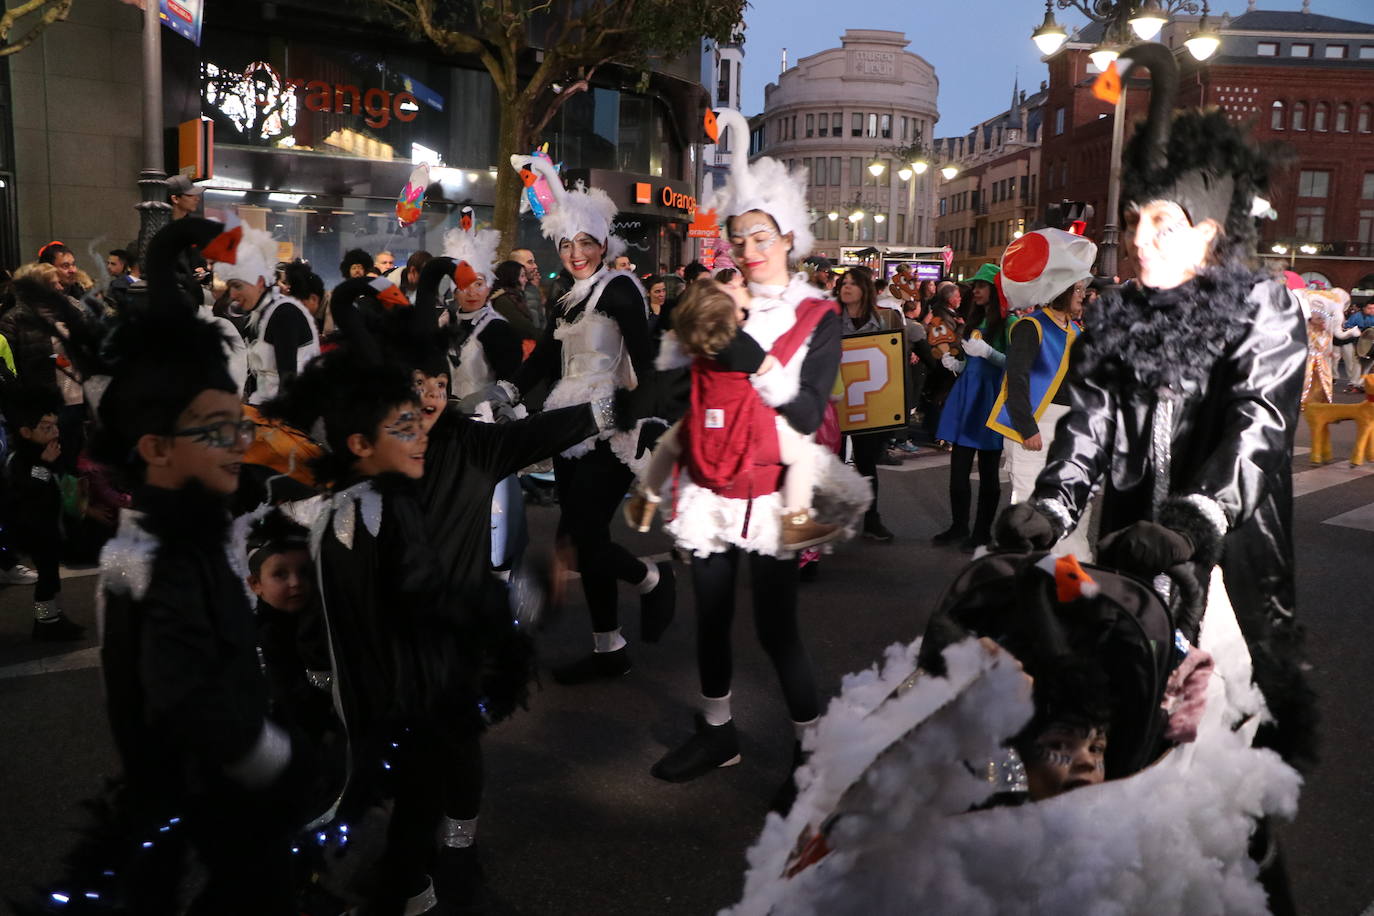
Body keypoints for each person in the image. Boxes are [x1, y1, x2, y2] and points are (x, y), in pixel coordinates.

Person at [996, 43, 1312, 802]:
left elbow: (1258, 421)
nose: (1139, 238)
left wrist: (1197, 518)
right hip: (1134, 551)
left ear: (1208, 233)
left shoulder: (1262, 308)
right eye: (1136, 220)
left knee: (1216, 760)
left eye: (1162, 224)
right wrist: (1054, 503)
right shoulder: (1121, 312)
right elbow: (1092, 421)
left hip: (1227, 558)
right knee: (1122, 724)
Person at [74, 218, 301, 913]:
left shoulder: (190, 514)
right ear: (156, 448)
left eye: (241, 425)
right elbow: (182, 692)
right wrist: (276, 757)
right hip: (187, 786)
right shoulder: (149, 554)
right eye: (218, 431)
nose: (240, 442)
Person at [649, 109, 868, 804]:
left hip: (775, 491)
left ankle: (812, 753)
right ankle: (718, 732)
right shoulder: (715, 296)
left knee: (777, 630)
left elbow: (808, 413)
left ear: (789, 237)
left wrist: (749, 352)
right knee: (708, 618)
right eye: (739, 237)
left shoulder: (819, 315)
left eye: (760, 236)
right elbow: (674, 386)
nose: (747, 248)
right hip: (710, 484)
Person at [508, 152, 674, 682]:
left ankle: (651, 579)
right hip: (569, 423)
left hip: (610, 428)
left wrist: (633, 414)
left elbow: (649, 363)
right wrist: (507, 387)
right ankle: (609, 648)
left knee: (579, 538)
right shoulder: (566, 297)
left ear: (604, 244)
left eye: (586, 242)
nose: (576, 253)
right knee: (586, 537)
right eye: (566, 243)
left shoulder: (620, 288)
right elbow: (544, 361)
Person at [627, 280, 840, 550]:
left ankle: (645, 499)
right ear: (728, 317)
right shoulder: (746, 350)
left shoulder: (697, 350)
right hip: (747, 434)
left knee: (669, 445)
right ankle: (796, 521)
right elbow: (781, 323)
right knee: (802, 455)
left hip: (702, 429)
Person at [986, 228, 1098, 559]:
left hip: (1071, 429)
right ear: (1062, 291)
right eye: (1078, 288)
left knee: (1075, 502)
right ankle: (1033, 572)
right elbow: (1016, 379)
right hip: (1036, 428)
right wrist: (1027, 427)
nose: (1083, 295)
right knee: (1034, 507)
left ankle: (1072, 570)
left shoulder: (1078, 330)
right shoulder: (1030, 326)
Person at [934, 263, 1008, 551]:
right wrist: (957, 364)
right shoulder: (972, 321)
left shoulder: (1010, 323)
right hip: (967, 396)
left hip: (989, 398)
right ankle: (958, 526)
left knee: (989, 472)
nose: (975, 290)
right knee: (958, 470)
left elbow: (1015, 363)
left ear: (995, 288)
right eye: (974, 286)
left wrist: (990, 353)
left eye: (981, 285)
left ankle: (982, 533)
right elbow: (970, 361)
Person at [4, 383, 82, 639]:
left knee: (51, 575)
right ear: (26, 432)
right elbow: (27, 490)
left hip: (48, 525)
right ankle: (46, 620)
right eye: (46, 428)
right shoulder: (21, 459)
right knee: (47, 578)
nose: (54, 432)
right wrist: (45, 465)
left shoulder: (47, 450)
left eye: (55, 426)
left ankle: (52, 616)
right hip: (33, 530)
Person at [216, 225, 320, 405]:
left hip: (289, 418)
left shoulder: (283, 313)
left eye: (238, 286)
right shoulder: (263, 312)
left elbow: (287, 381)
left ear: (260, 282)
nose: (232, 295)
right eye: (230, 287)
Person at [837, 266, 903, 541]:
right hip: (836, 403)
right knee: (833, 463)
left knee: (866, 462)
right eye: (843, 283)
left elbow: (895, 367)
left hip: (870, 405)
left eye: (853, 283)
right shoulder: (829, 320)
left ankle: (871, 520)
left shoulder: (886, 319)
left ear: (865, 289)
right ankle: (833, 520)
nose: (846, 287)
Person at [441, 228, 524, 409]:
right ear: (454, 291)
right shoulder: (445, 323)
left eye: (479, 283)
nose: (472, 292)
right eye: (464, 285)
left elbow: (511, 382)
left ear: (488, 288)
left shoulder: (497, 328)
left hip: (485, 419)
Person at [489, 259, 541, 345]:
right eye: (522, 276)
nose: (526, 280)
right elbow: (524, 327)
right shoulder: (503, 300)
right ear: (512, 277)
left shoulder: (514, 297)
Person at [508, 247, 545, 330]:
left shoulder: (532, 289)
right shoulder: (507, 294)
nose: (535, 266)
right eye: (530, 262)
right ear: (516, 265)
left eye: (534, 262)